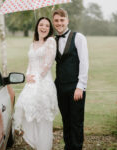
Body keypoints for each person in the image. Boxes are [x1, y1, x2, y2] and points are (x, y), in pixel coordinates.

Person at [12, 17, 58, 150]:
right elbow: (30, 63)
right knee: (27, 112)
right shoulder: (32, 44)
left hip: (43, 84)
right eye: (41, 25)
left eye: (47, 26)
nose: (44, 28)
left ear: (49, 29)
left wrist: (37, 78)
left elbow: (48, 64)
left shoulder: (50, 41)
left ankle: (44, 147)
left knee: (43, 118)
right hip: (31, 83)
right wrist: (27, 76)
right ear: (37, 27)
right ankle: (36, 144)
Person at [52, 9, 89, 150]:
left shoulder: (78, 37)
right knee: (66, 121)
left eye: (62, 20)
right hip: (60, 87)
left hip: (75, 87)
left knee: (76, 122)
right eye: (56, 20)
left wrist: (81, 86)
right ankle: (68, 147)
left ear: (67, 20)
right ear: (54, 22)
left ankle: (77, 147)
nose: (59, 23)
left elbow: (84, 62)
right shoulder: (53, 41)